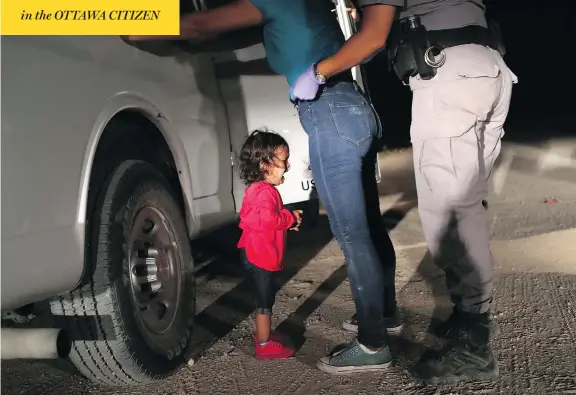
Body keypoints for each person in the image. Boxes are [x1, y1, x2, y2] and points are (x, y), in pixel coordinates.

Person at [129, 0, 400, 374]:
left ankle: (373, 345)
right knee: (367, 225)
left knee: (353, 234)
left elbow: (202, 23)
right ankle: (385, 315)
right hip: (351, 106)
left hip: (330, 113)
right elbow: (231, 40)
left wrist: (127, 20)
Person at [290, 0, 517, 384]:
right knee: (468, 206)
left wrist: (318, 71)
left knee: (450, 217)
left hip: (449, 77)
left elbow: (374, 35)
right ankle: (467, 321)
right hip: (488, 66)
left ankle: (475, 346)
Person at [236, 129, 302, 360]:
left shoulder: (257, 190)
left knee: (264, 296)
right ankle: (263, 344)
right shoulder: (266, 193)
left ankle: (264, 335)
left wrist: (286, 220)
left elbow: (261, 219)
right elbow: (268, 220)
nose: (287, 166)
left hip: (252, 252)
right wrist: (289, 218)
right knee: (265, 299)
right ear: (265, 166)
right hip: (259, 256)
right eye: (283, 161)